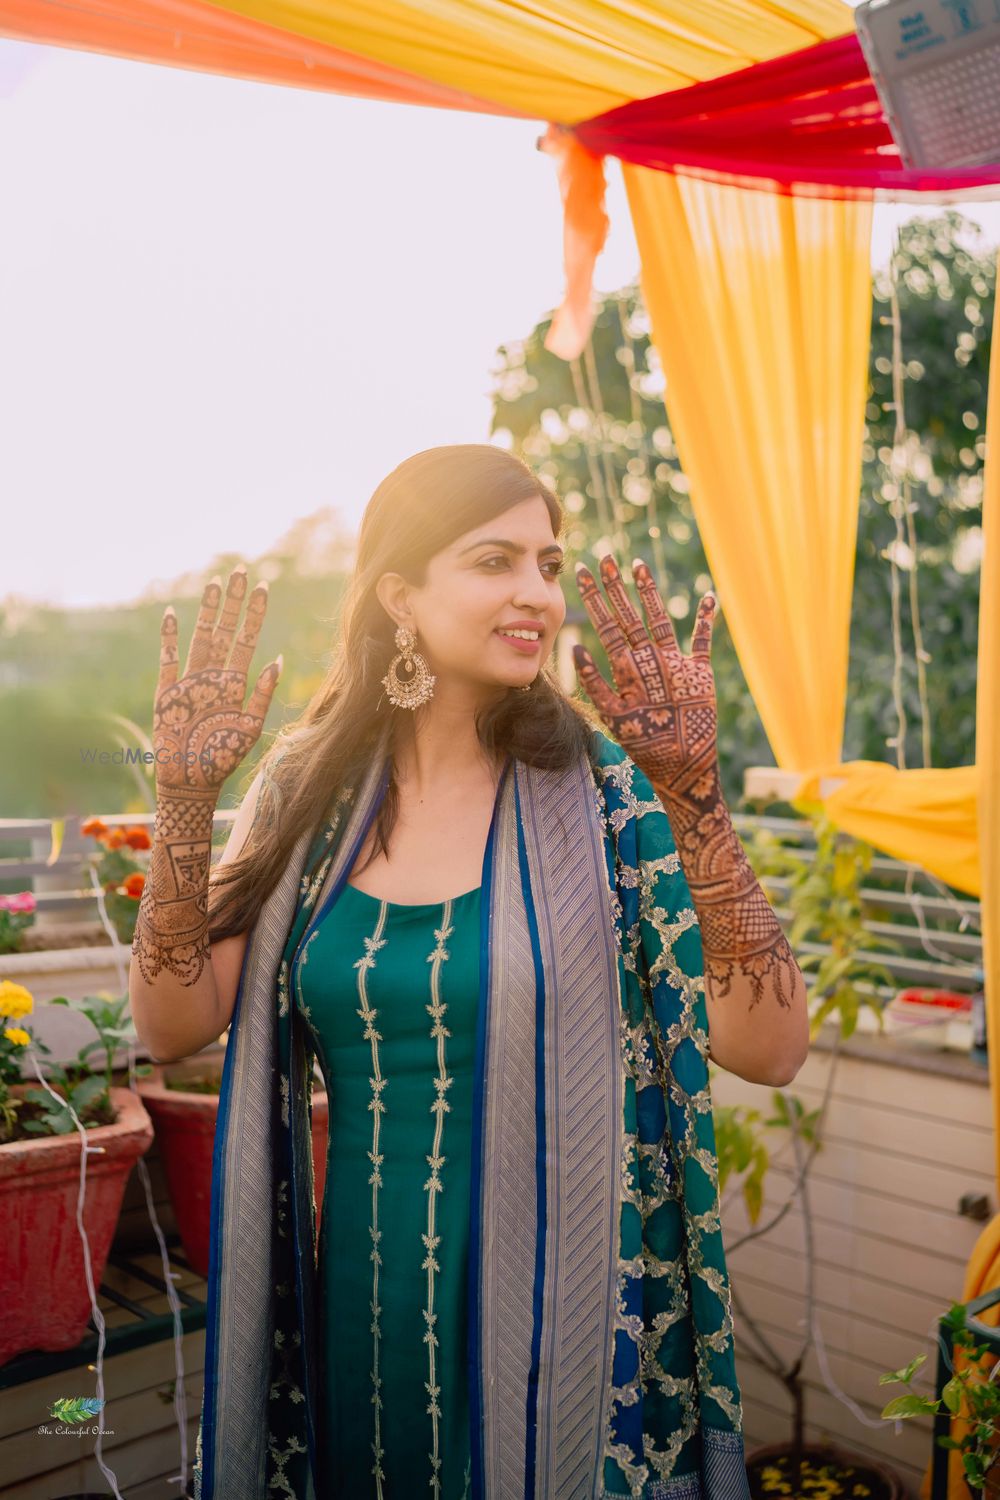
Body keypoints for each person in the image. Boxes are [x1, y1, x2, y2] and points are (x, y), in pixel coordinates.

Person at [129, 443, 809, 1500]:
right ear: (400, 591)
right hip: (362, 1310)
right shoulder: (306, 797)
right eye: (495, 561)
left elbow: (769, 1049)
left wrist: (697, 799)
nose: (536, 592)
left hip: (574, 1325)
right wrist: (180, 805)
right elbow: (174, 1026)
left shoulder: (607, 797)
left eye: (548, 562)